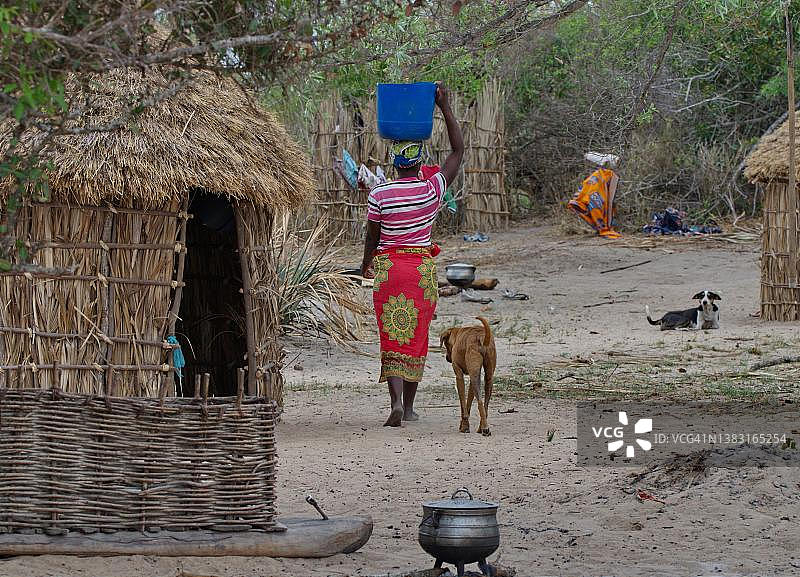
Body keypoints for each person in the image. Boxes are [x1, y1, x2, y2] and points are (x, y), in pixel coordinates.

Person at [360, 83, 464, 427]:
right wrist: (444, 107)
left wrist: (365, 265)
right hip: (420, 271)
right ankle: (408, 406)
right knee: (416, 337)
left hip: (389, 271)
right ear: (419, 162)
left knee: (392, 334)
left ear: (394, 162)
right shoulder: (432, 189)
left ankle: (394, 403)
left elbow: (372, 238)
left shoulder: (379, 194)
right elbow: (458, 151)